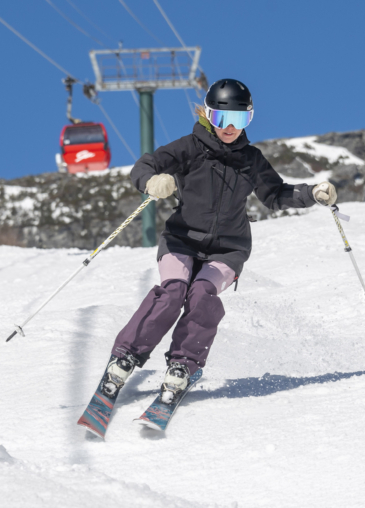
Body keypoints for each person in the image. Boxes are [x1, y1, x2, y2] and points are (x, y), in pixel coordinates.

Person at [98, 78, 337, 404]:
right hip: (181, 240)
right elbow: (146, 165)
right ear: (208, 115)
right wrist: (152, 181)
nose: (230, 127)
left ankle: (183, 366)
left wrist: (312, 193)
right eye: (222, 118)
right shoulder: (189, 148)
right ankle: (125, 356)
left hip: (228, 249)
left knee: (202, 295)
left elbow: (276, 194)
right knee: (173, 293)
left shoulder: (250, 159)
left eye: (240, 119)